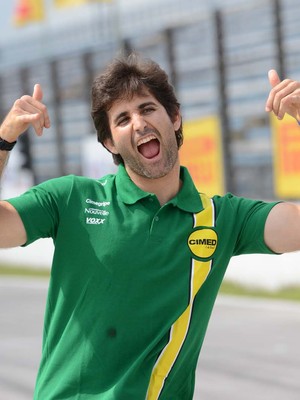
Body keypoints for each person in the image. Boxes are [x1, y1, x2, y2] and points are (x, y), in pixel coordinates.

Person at [0, 54, 300, 400]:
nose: (139, 123)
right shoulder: (70, 198)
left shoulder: (221, 218)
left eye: (147, 108)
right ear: (110, 142)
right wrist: (4, 139)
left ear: (174, 117)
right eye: (123, 119)